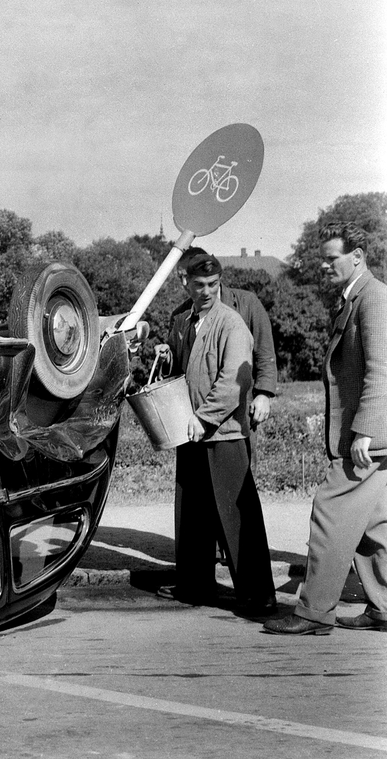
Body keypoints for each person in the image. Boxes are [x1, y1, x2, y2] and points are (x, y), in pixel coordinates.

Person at [264, 222, 387, 635]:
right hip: (370, 435)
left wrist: (365, 431)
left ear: (357, 256)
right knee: (373, 526)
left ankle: (314, 612)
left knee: (330, 513)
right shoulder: (354, 298)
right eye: (323, 258)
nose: (323, 265)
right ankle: (385, 606)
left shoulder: (373, 297)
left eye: (332, 257)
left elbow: (381, 370)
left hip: (369, 436)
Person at [156, 252, 277, 616]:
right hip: (191, 431)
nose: (207, 291)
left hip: (221, 433)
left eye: (213, 284)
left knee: (238, 517)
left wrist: (205, 418)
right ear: (185, 284)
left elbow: (232, 383)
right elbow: (183, 371)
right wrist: (165, 356)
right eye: (199, 285)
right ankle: (195, 586)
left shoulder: (231, 322)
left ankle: (259, 595)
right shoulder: (186, 318)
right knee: (192, 513)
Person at [173, 247, 278, 435]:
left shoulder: (247, 303)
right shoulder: (180, 315)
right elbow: (179, 366)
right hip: (194, 418)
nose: (183, 283)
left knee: (242, 460)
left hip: (238, 410)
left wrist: (263, 394)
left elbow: (265, 352)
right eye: (181, 276)